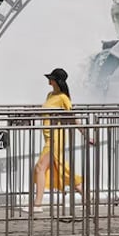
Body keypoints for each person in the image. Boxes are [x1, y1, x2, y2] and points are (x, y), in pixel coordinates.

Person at [27, 68, 91, 213]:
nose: (49, 80)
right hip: (49, 136)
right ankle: (84, 192)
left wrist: (85, 134)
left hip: (56, 138)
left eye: (51, 78)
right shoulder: (50, 95)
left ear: (56, 81)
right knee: (60, 168)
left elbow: (73, 117)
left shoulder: (63, 98)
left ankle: (37, 205)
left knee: (40, 168)